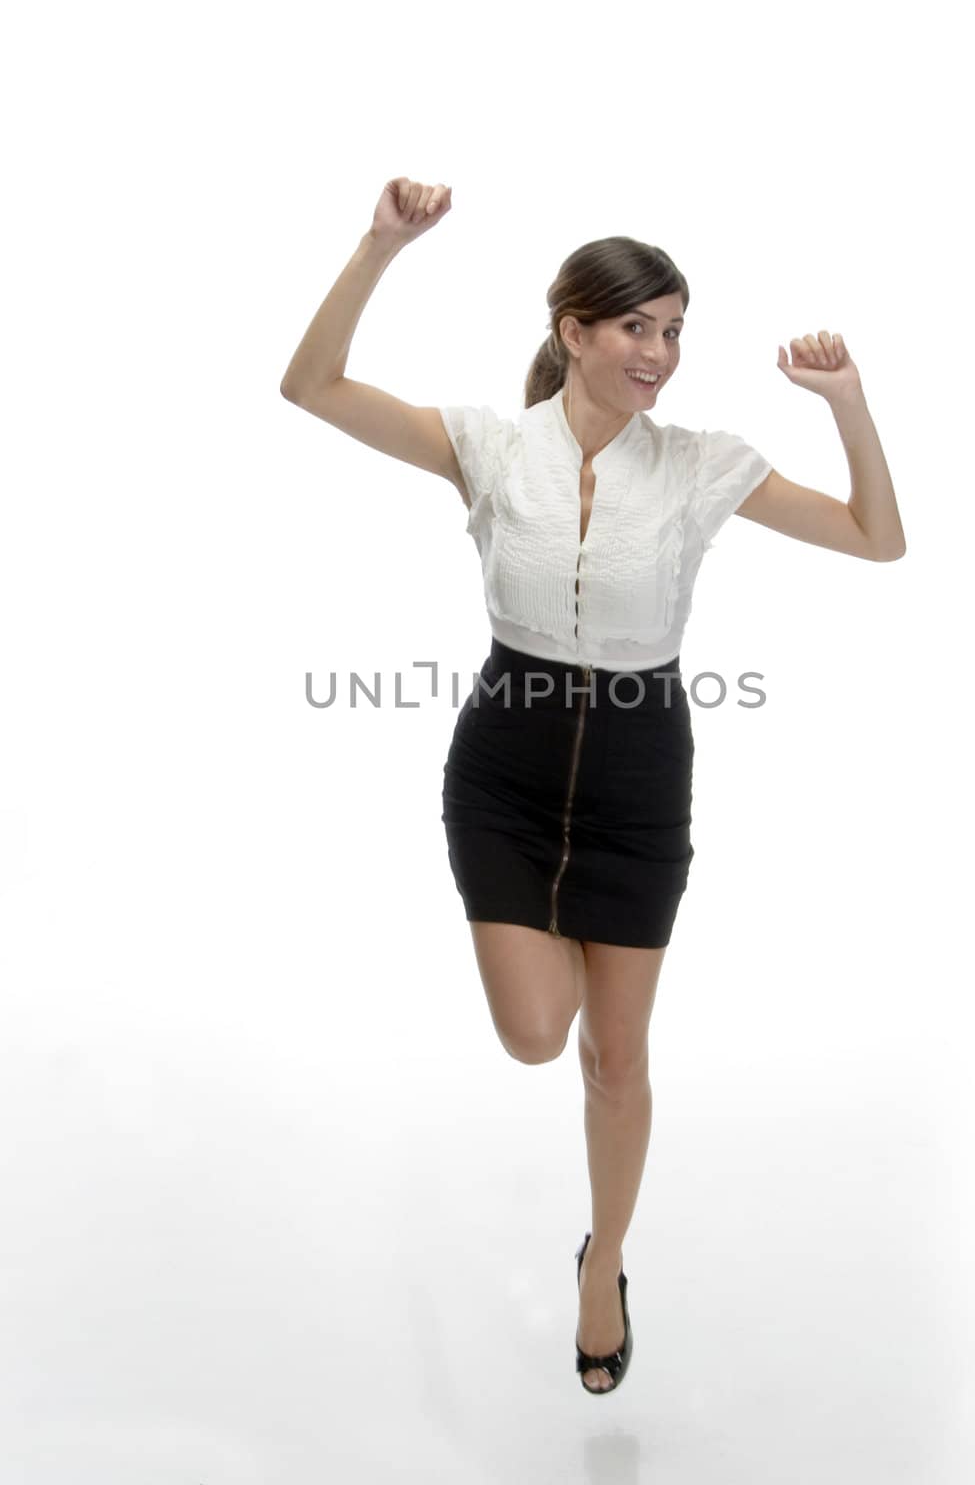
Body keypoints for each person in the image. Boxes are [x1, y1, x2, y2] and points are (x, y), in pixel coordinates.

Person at [280, 176, 907, 1395]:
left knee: (615, 1061)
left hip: (635, 773)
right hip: (504, 765)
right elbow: (309, 387)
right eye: (636, 327)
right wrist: (377, 247)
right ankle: (566, 989)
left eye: (672, 330)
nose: (658, 354)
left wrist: (848, 403)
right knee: (532, 1035)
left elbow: (876, 537)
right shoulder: (485, 446)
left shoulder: (702, 466)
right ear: (572, 330)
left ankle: (600, 1261)